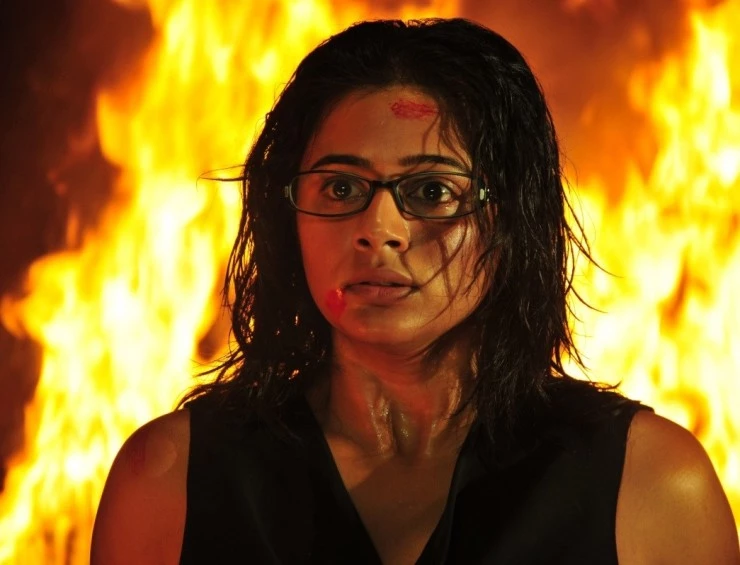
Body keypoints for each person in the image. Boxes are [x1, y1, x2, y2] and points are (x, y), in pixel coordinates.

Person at [91, 18, 740, 565]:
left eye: (432, 191)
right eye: (340, 187)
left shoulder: (647, 484)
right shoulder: (170, 478)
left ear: (511, 220)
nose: (379, 229)